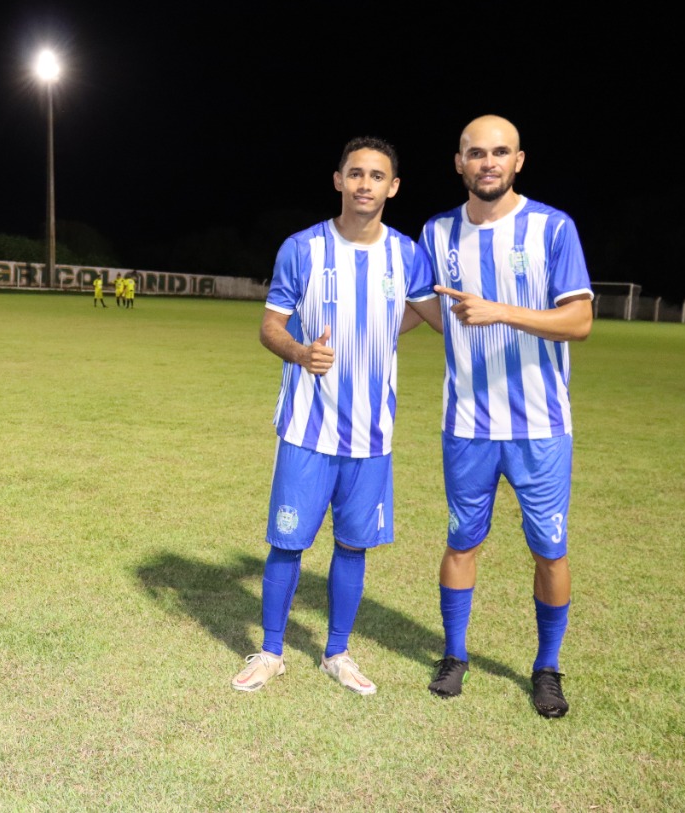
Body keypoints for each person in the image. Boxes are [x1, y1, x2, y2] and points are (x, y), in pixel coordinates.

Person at [232, 137, 436, 695]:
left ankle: (337, 653)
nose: (365, 183)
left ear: (392, 187)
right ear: (338, 180)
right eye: (355, 173)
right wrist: (300, 352)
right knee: (288, 541)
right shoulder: (302, 248)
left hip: (372, 432)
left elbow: (430, 312)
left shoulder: (407, 254)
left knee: (353, 544)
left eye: (377, 176)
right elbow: (270, 325)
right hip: (306, 426)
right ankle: (272, 651)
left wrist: (384, 332)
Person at [419, 115, 592, 718]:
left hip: (540, 426)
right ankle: (455, 655)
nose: (487, 161)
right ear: (459, 162)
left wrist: (503, 312)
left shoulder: (552, 228)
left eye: (500, 152)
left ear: (518, 160)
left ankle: (547, 668)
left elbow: (579, 322)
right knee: (461, 539)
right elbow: (423, 308)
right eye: (475, 153)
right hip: (466, 423)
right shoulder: (436, 233)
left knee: (549, 548)